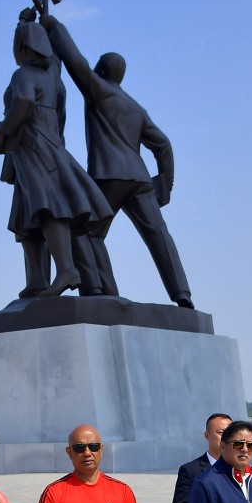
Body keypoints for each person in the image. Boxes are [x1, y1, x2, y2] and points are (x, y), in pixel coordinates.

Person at [40, 16, 194, 307]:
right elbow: (163, 145)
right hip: (141, 180)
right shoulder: (136, 108)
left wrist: (54, 28)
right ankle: (182, 293)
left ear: (100, 71)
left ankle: (99, 290)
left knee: (83, 230)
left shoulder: (100, 92)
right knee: (159, 237)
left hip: (108, 176)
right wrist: (165, 186)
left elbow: (76, 63)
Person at [0, 18, 114, 298]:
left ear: (22, 47)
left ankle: (66, 269)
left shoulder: (21, 76)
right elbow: (58, 113)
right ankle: (36, 279)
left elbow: (22, 103)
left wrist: (1, 135)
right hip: (43, 145)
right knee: (25, 214)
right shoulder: (54, 79)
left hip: (32, 146)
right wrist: (29, 23)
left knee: (47, 207)